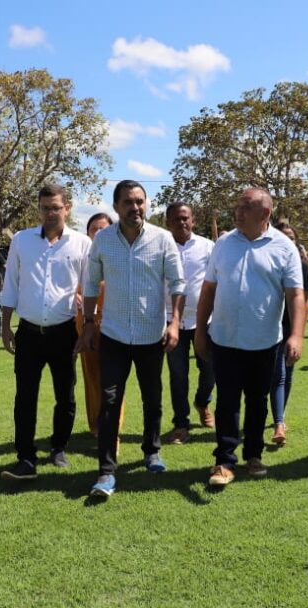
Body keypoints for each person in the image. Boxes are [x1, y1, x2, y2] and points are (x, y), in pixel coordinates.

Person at [76, 179, 185, 498]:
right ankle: (106, 471)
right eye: (128, 202)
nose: (135, 207)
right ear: (116, 206)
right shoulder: (103, 240)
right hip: (114, 335)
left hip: (152, 335)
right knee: (109, 401)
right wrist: (89, 324)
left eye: (140, 201)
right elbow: (91, 284)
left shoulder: (162, 239)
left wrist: (175, 323)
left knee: (152, 397)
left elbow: (178, 283)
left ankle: (152, 452)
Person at [195, 188, 306, 487]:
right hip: (224, 338)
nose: (238, 212)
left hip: (264, 342)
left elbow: (296, 294)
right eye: (237, 206)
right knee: (227, 402)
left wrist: (296, 335)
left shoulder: (284, 247)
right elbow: (208, 289)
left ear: (265, 213)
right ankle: (224, 461)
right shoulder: (223, 244)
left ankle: (254, 455)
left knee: (258, 401)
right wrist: (200, 331)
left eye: (246, 207)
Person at [0, 185, 91, 481]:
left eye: (56, 207)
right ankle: (25, 456)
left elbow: (89, 288)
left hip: (65, 333)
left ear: (67, 208)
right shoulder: (22, 240)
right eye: (45, 208)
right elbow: (11, 284)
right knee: (25, 396)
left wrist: (86, 328)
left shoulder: (82, 243)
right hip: (28, 333)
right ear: (38, 209)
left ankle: (58, 447)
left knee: (66, 395)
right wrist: (5, 326)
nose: (51, 213)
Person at [164, 202, 216, 445]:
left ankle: (202, 402)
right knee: (178, 375)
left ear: (193, 220)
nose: (181, 222)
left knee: (210, 371)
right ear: (168, 223)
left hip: (203, 321)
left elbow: (215, 282)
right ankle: (181, 424)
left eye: (185, 218)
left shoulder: (208, 247)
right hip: (171, 321)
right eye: (176, 218)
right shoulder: (161, 247)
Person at [74, 213, 125, 439]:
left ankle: (114, 424)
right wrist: (73, 294)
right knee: (92, 374)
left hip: (114, 321)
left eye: (102, 228)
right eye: (93, 228)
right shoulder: (80, 256)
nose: (97, 232)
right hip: (86, 321)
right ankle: (96, 423)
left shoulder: (120, 254)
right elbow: (66, 281)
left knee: (115, 375)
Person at [269, 223, 308, 445]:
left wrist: (299, 333)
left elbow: (305, 301)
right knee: (278, 374)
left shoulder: (302, 267)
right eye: (283, 236)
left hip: (291, 327)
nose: (288, 241)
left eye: (292, 238)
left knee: (288, 371)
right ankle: (279, 423)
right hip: (272, 326)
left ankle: (281, 415)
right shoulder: (271, 262)